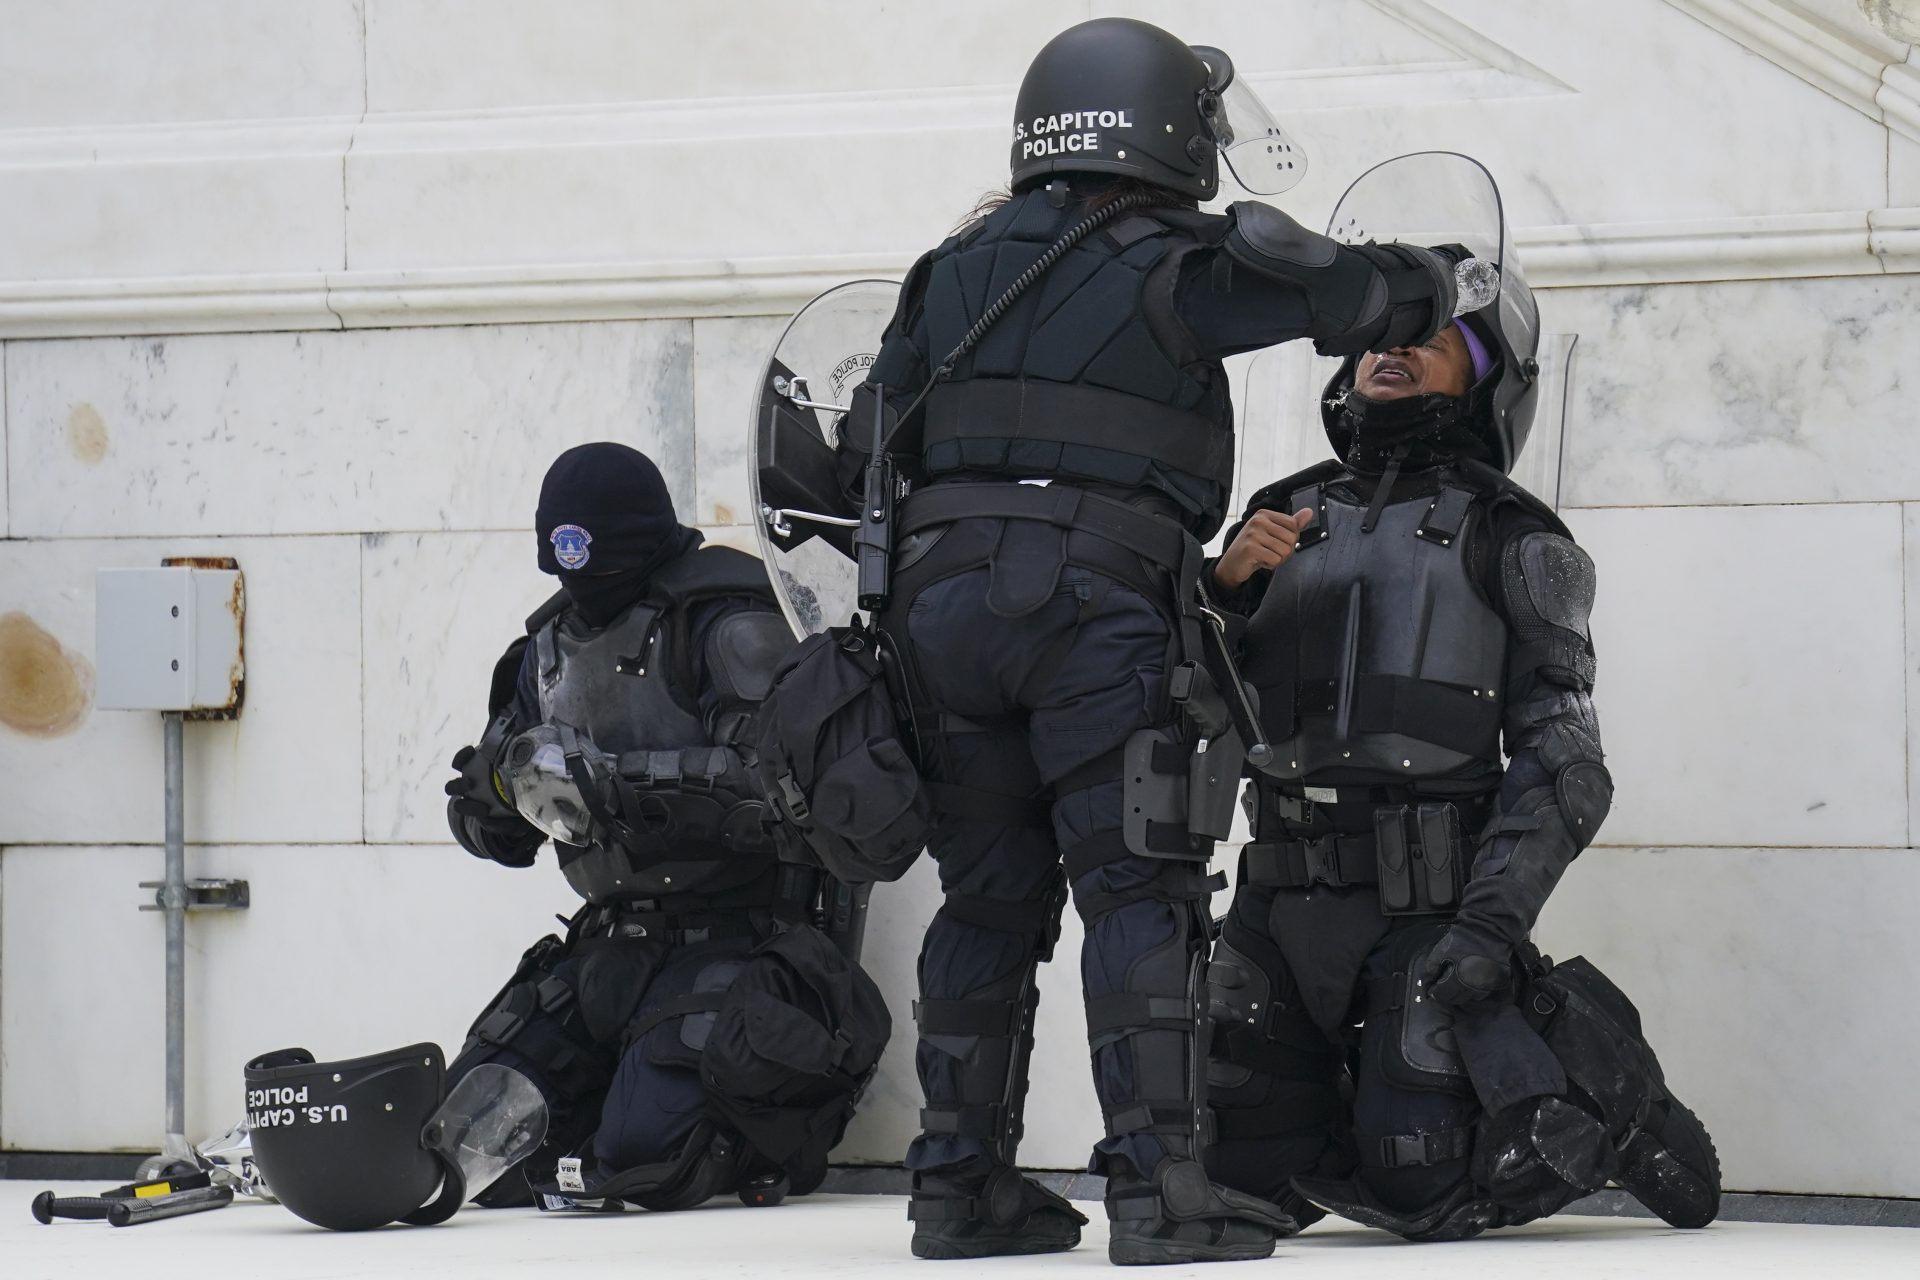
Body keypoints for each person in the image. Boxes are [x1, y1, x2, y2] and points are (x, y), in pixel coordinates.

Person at [826, 17, 1467, 1265]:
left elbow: (865, 438)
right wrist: (1430, 279)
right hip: (1093, 601)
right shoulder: (1175, 258)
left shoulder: (950, 267)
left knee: (986, 900)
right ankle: (1160, 1198)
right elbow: (1364, 297)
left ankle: (957, 1193)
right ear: (1171, 127)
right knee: (1138, 888)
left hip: (941, 612)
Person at [1202, 286, 1723, 1239]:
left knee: (1420, 1190)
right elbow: (1178, 703)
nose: (1393, 352)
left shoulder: (1515, 535)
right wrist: (1220, 592)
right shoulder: (1277, 516)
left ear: (1487, 380)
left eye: (1431, 339)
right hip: (1276, 904)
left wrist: (1487, 932)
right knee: (1234, 1179)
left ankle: (1605, 1093)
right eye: (1380, 339)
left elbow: (1567, 764)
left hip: (1427, 914)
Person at [443, 442, 883, 1211]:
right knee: (467, 1147)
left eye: (596, 560)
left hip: (735, 935)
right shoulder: (545, 648)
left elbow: (785, 791)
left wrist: (622, 787)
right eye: (565, 560)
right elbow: (499, 834)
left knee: (649, 1161)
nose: (584, 582)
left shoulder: (724, 622)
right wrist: (493, 798)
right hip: (606, 944)